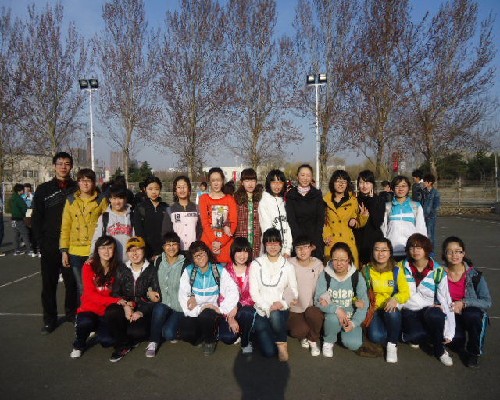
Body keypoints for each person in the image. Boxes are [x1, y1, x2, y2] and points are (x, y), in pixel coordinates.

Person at [32, 152, 78, 334]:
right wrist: (40, 242)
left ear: (71, 166)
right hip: (50, 244)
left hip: (72, 244)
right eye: (60, 163)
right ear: (54, 166)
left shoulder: (77, 188)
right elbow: (36, 218)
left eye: (67, 163)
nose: (63, 167)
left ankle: (72, 313)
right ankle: (49, 319)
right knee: (49, 284)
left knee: (72, 283)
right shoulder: (44, 189)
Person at [400, 234, 455, 366]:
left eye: (419, 247)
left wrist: (449, 331)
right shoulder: (400, 267)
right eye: (412, 247)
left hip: (428, 310)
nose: (415, 251)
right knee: (415, 336)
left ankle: (440, 350)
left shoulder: (438, 271)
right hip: (408, 311)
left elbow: (446, 300)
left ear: (426, 249)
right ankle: (427, 334)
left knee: (436, 315)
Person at [177, 240, 239, 356]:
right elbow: (183, 294)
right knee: (186, 334)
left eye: (202, 254)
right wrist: (197, 309)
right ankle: (203, 333)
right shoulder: (189, 271)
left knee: (208, 317)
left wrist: (221, 309)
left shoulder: (218, 269)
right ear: (193, 259)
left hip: (212, 311)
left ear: (207, 253)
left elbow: (232, 290)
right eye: (196, 256)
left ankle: (210, 340)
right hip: (196, 311)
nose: (200, 258)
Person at [106, 236, 160, 362]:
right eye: (130, 250)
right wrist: (126, 305)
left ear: (144, 251)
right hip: (125, 306)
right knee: (106, 337)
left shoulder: (152, 270)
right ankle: (124, 345)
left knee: (137, 332)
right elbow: (115, 293)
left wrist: (141, 312)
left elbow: (156, 298)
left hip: (142, 308)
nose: (134, 253)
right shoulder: (121, 269)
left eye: (138, 249)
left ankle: (126, 340)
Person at [70, 236, 125, 359]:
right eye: (103, 248)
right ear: (97, 250)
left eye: (110, 248)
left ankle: (95, 328)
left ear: (114, 250)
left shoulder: (117, 268)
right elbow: (91, 295)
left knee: (108, 341)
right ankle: (79, 344)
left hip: (105, 313)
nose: (106, 251)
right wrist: (116, 301)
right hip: (89, 309)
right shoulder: (89, 266)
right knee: (85, 322)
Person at [249, 228, 298, 361]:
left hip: (280, 310)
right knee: (269, 352)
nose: (273, 246)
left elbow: (293, 291)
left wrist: (281, 303)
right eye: (269, 243)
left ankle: (282, 343)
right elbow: (254, 292)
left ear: (281, 244)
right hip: (261, 310)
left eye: (275, 243)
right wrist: (267, 307)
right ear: (265, 244)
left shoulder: (288, 266)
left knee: (276, 315)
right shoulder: (256, 264)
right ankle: (271, 334)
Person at [442, 236, 491, 368]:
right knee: (456, 344)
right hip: (451, 313)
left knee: (473, 315)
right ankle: (458, 337)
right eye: (450, 252)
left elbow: (487, 302)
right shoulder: (439, 273)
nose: (454, 255)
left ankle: (474, 352)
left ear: (463, 253)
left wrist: (464, 303)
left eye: (458, 251)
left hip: (469, 311)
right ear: (444, 254)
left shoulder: (475, 275)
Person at [60, 169, 108, 298]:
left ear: (94, 182)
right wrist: (64, 250)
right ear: (78, 182)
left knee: (97, 285)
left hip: (94, 250)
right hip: (75, 251)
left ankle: (97, 309)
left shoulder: (101, 200)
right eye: (82, 180)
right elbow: (66, 226)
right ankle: (83, 310)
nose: (85, 183)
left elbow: (107, 224)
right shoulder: (71, 200)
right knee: (81, 287)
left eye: (88, 180)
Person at [315, 242, 368, 357]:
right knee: (332, 319)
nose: (339, 263)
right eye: (335, 259)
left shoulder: (357, 276)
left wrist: (354, 323)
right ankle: (329, 340)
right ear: (331, 259)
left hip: (350, 317)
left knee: (354, 344)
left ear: (348, 260)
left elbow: (364, 303)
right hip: (332, 315)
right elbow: (318, 300)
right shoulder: (325, 275)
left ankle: (340, 333)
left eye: (343, 260)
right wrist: (337, 309)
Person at [363, 238, 410, 363]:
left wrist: (395, 299)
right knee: (376, 337)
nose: (380, 253)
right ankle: (394, 331)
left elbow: (405, 292)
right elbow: (359, 291)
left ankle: (392, 345)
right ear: (372, 252)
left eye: (384, 250)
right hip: (374, 309)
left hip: (390, 308)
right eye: (377, 250)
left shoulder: (397, 270)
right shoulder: (366, 270)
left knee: (392, 313)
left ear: (390, 253)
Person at [145, 232, 189, 358]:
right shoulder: (158, 260)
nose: (171, 247)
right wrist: (149, 291)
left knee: (169, 334)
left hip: (178, 306)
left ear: (179, 246)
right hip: (162, 303)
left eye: (174, 244)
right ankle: (153, 342)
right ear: (163, 247)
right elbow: (150, 280)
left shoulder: (185, 263)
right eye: (168, 245)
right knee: (159, 309)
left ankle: (170, 326)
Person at [286, 235, 324, 357]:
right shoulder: (289, 264)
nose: (302, 251)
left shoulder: (318, 264)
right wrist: (288, 299)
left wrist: (325, 299)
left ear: (311, 248)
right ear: (294, 249)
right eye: (299, 248)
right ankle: (304, 335)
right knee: (298, 331)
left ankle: (313, 339)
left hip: (312, 306)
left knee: (315, 315)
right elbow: (285, 285)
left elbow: (323, 286)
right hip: (295, 308)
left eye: (306, 247)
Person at [218, 237, 257, 354]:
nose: (242, 255)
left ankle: (246, 340)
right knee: (227, 338)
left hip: (246, 310)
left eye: (245, 252)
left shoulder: (253, 269)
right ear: (233, 252)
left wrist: (238, 306)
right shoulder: (226, 271)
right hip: (229, 311)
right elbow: (222, 298)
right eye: (239, 251)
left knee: (247, 313)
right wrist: (230, 317)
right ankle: (238, 330)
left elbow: (253, 296)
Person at [323, 170, 369, 266]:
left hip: (348, 241)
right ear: (333, 182)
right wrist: (326, 236)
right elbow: (324, 222)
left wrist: (363, 217)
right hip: (332, 242)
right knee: (331, 271)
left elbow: (357, 223)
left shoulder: (353, 201)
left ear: (347, 184)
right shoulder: (325, 201)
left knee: (350, 270)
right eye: (338, 181)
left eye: (344, 181)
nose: (341, 184)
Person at [381, 176, 427, 260]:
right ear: (392, 188)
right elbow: (383, 230)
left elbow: (421, 230)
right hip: (391, 252)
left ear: (408, 188)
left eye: (403, 186)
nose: (400, 189)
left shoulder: (416, 206)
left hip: (411, 253)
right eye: (397, 186)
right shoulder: (387, 207)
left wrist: (423, 249)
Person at [285, 164, 325, 261]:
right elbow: (291, 220)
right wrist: (301, 243)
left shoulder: (317, 194)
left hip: (314, 242)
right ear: (297, 176)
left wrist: (313, 243)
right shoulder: (291, 195)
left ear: (311, 177)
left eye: (308, 175)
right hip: (297, 240)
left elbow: (320, 219)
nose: (305, 178)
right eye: (302, 175)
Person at [198, 167, 238, 263]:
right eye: (213, 180)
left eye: (218, 180)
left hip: (226, 244)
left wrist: (221, 242)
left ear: (223, 181)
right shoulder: (204, 199)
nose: (216, 183)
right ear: (209, 182)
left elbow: (233, 223)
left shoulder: (230, 199)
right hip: (208, 243)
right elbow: (205, 223)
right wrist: (214, 241)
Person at [91, 185, 134, 263]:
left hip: (130, 262)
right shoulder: (104, 217)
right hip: (110, 262)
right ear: (110, 199)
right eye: (114, 198)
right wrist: (92, 256)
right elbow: (97, 239)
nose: (117, 202)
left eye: (120, 198)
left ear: (125, 199)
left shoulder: (132, 216)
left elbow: (136, 239)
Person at [161, 175, 201, 252]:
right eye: (179, 187)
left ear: (189, 189)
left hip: (194, 251)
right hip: (177, 253)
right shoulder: (170, 210)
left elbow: (200, 230)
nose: (182, 189)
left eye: (184, 186)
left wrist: (198, 246)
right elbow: (166, 233)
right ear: (175, 190)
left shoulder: (197, 209)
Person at [258, 169, 293, 257]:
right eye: (273, 182)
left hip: (285, 252)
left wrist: (287, 250)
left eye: (280, 182)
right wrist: (274, 249)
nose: (277, 185)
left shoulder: (284, 201)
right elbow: (266, 228)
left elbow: (288, 227)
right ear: (269, 183)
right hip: (271, 251)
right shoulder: (264, 201)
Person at [354, 170, 385, 266]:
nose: (364, 186)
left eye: (367, 183)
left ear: (372, 184)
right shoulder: (354, 200)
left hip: (373, 242)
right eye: (361, 182)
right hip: (357, 241)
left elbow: (377, 223)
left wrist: (372, 202)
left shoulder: (379, 200)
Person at [133, 176, 169, 260]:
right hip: (146, 253)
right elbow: (139, 233)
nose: (153, 192)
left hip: (164, 253)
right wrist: (146, 252)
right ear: (145, 189)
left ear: (160, 189)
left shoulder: (166, 207)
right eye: (150, 189)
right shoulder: (140, 208)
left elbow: (168, 231)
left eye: (156, 189)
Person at [234, 168, 263, 258]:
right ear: (242, 182)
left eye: (253, 181)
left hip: (256, 240)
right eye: (247, 181)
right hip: (241, 240)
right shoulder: (236, 199)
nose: (250, 184)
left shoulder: (260, 199)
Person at [10, 183, 33, 256]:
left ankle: (16, 251)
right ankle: (29, 250)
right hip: (19, 218)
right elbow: (24, 207)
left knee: (16, 235)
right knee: (25, 233)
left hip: (13, 219)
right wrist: (24, 214)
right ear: (19, 191)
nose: (24, 191)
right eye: (23, 190)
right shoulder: (19, 198)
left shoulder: (13, 197)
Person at [421, 174, 441, 250]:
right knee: (423, 234)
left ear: (430, 182)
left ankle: (431, 252)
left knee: (430, 234)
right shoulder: (423, 191)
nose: (424, 183)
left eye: (425, 181)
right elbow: (421, 203)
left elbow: (437, 206)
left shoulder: (435, 193)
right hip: (422, 216)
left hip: (430, 217)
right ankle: (425, 250)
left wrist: (430, 214)